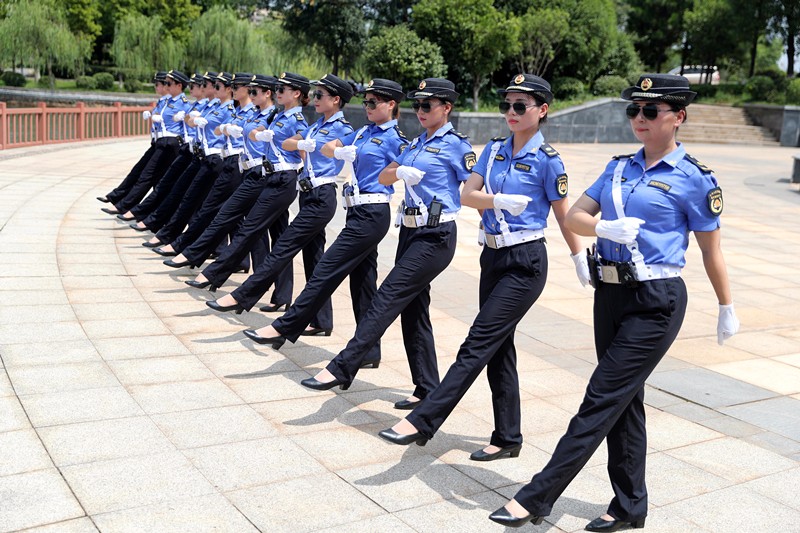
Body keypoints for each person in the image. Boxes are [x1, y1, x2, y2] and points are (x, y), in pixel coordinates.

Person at [488, 74, 740, 530]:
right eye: (633, 111)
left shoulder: (695, 179)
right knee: (624, 400)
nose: (638, 120)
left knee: (601, 397)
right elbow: (578, 215)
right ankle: (629, 505)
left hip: (655, 300)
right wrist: (601, 229)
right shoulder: (618, 168)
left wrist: (726, 306)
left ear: (678, 116)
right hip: (610, 293)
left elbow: (711, 250)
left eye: (650, 111)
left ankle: (538, 495)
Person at [378, 74, 589, 458]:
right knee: (498, 346)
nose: (510, 112)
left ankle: (424, 419)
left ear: (542, 110)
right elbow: (467, 195)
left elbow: (564, 215)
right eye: (506, 105)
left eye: (520, 106)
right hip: (491, 256)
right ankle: (508, 437)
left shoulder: (547, 161)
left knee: (477, 343)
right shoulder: (493, 150)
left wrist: (578, 257)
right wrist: (498, 202)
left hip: (525, 262)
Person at [298, 78, 475, 412]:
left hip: (436, 235)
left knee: (388, 294)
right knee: (413, 309)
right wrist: (401, 172)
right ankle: (426, 387)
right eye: (418, 105)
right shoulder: (416, 143)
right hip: (409, 232)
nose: (420, 111)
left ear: (447, 108)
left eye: (428, 106)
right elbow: (384, 176)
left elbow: (474, 191)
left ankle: (343, 365)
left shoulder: (457, 146)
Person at [237, 78, 406, 354]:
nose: (367, 106)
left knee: (326, 268)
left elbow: (411, 167)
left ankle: (285, 326)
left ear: (391, 104)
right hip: (355, 210)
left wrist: (399, 172)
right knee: (363, 282)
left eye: (373, 102)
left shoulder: (394, 139)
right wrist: (338, 150)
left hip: (373, 212)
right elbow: (327, 147)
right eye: (365, 101)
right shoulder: (364, 132)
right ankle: (369, 351)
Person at [206, 74, 356, 332]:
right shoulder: (318, 125)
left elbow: (331, 148)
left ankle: (243, 296)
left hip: (322, 195)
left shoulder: (344, 128)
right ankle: (322, 321)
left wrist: (316, 146)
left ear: (336, 99)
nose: (316, 99)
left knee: (284, 246)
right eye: (316, 94)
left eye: (320, 95)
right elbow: (288, 143)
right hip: (307, 194)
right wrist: (304, 143)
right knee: (314, 259)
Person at [170, 72, 308, 292]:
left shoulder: (286, 116)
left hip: (271, 176)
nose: (250, 95)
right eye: (249, 91)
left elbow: (302, 144)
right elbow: (248, 133)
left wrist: (302, 173)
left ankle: (206, 267)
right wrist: (230, 129)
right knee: (268, 235)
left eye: (255, 91)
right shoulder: (271, 115)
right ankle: (279, 294)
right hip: (261, 173)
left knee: (240, 222)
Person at [136, 72, 215, 239]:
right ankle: (164, 228)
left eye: (200, 85)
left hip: (213, 158)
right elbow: (189, 120)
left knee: (206, 202)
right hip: (195, 152)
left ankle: (170, 231)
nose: (196, 88)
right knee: (187, 194)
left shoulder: (210, 107)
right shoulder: (207, 106)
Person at [99, 71, 170, 210]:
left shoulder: (174, 102)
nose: (155, 87)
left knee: (150, 177)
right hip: (157, 142)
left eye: (157, 84)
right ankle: (117, 197)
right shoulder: (163, 101)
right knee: (139, 172)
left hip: (168, 145)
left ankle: (126, 205)